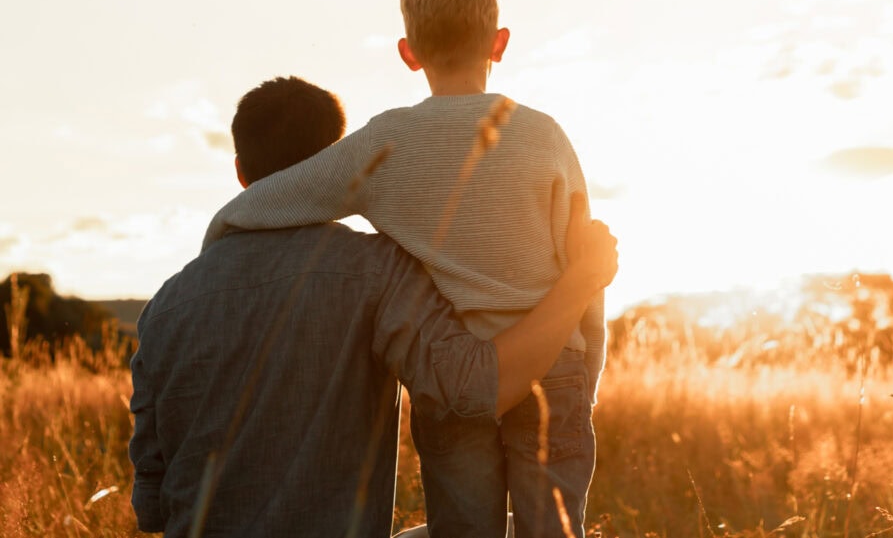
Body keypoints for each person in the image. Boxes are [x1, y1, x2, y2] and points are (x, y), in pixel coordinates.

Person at [202, 0, 603, 538]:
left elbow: (268, 200)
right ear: (499, 42)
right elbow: (584, 265)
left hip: (450, 377)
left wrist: (219, 235)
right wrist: (583, 373)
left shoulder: (385, 142)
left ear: (408, 52)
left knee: (463, 532)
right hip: (554, 370)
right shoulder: (545, 136)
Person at [129, 76, 617, 538]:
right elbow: (474, 389)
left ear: (240, 172)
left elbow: (151, 507)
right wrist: (580, 282)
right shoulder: (376, 271)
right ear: (334, 164)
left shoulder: (164, 309)